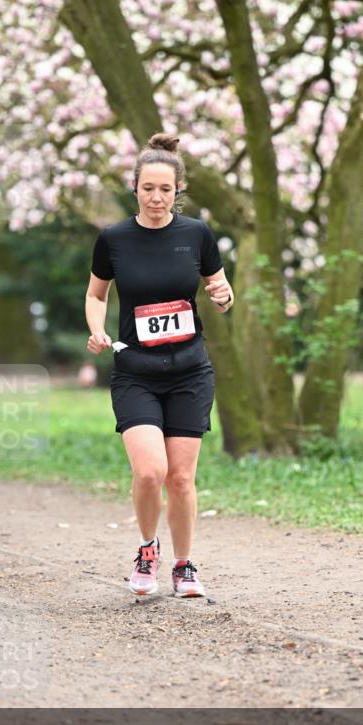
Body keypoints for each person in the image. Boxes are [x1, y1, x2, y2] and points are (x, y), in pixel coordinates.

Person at [85, 133, 233, 599]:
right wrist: (98, 329)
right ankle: (148, 551)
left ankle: (184, 566)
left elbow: (219, 286)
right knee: (150, 472)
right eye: (148, 188)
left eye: (165, 189)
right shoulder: (114, 239)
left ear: (177, 191)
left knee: (182, 477)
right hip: (137, 372)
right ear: (135, 188)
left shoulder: (196, 234)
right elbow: (96, 294)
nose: (156, 197)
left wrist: (223, 296)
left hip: (189, 369)